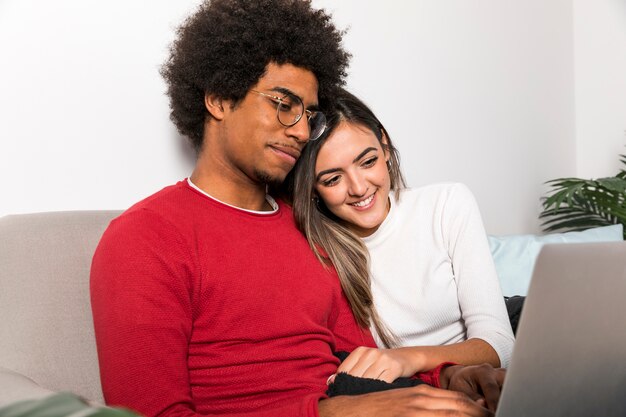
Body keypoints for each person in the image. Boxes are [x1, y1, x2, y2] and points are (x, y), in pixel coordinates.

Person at [90, 1, 504, 416]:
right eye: (284, 105)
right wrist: (329, 414)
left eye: (309, 114)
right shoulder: (145, 237)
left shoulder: (310, 227)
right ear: (218, 99)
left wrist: (450, 378)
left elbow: (364, 363)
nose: (303, 131)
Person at [289, 89, 515, 380]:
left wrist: (410, 358)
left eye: (367, 162)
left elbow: (501, 346)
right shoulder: (318, 254)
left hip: (479, 374)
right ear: (313, 189)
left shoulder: (446, 203)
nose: (358, 188)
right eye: (333, 179)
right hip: (415, 393)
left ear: (384, 145)